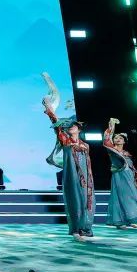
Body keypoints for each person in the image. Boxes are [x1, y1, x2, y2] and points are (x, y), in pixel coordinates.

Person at [42, 72, 95, 241]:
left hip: (85, 176)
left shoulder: (85, 145)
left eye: (74, 126)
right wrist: (49, 107)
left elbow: (87, 163)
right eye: (69, 126)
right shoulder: (65, 140)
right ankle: (76, 229)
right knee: (74, 199)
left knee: (86, 200)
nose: (71, 127)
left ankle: (85, 227)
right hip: (72, 175)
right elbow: (55, 122)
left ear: (79, 129)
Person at [103, 118, 137, 229]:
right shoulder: (112, 150)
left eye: (120, 138)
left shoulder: (127, 153)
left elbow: (131, 166)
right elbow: (106, 139)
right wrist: (111, 124)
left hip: (128, 175)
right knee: (119, 197)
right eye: (116, 138)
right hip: (118, 175)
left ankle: (131, 219)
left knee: (129, 197)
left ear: (124, 141)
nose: (118, 139)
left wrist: (135, 174)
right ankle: (119, 221)